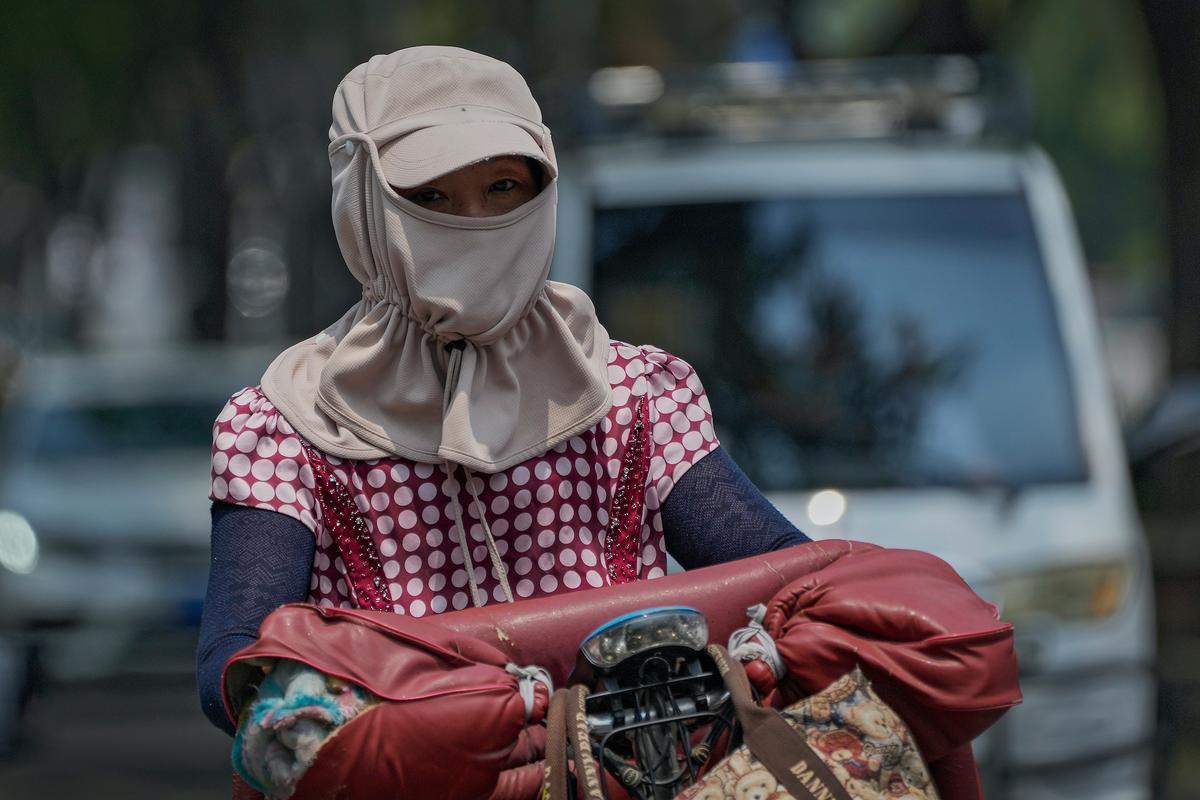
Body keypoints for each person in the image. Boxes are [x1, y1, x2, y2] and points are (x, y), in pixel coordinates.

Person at [197, 46, 809, 734]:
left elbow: (791, 580)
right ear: (361, 199)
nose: (475, 223)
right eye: (430, 197)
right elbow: (237, 664)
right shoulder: (284, 428)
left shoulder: (637, 396)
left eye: (504, 188)